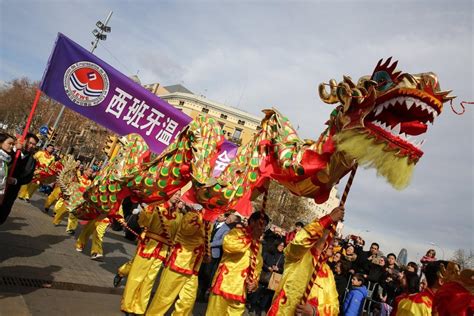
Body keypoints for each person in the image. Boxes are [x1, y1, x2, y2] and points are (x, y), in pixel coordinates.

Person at [267, 206, 344, 316]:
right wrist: (328, 219)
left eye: (334, 240)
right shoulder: (299, 256)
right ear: (317, 237)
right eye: (329, 237)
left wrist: (314, 311)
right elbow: (299, 241)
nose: (333, 244)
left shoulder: (328, 274)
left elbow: (334, 307)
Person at [120, 191, 182, 315]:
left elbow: (176, 235)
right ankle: (127, 305)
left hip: (162, 250)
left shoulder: (178, 215)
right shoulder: (156, 207)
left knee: (149, 281)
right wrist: (147, 210)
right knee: (136, 276)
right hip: (148, 246)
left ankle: (139, 308)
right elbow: (143, 222)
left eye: (179, 195)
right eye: (176, 194)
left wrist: (171, 250)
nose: (178, 197)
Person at [146, 203, 210, 315]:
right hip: (180, 261)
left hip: (194, 265)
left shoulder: (209, 220)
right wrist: (200, 220)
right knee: (165, 296)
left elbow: (205, 239)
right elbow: (186, 230)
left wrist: (207, 252)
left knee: (188, 301)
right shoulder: (191, 215)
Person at [205, 210, 270, 316]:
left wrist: (254, 282)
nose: (262, 229)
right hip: (224, 285)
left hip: (240, 291)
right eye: (261, 225)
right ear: (252, 222)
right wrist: (250, 238)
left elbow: (257, 265)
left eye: (264, 227)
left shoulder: (259, 245)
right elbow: (229, 246)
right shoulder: (237, 232)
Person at [198, 212, 238, 301]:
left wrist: (209, 244)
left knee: (207, 274)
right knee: (200, 270)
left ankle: (202, 294)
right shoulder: (213, 223)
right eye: (229, 217)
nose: (229, 219)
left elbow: (221, 242)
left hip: (213, 253)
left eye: (230, 218)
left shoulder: (227, 229)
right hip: (204, 250)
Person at [0, 133, 38, 224]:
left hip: (11, 191)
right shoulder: (9, 151)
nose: (31, 146)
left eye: (34, 144)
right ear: (24, 140)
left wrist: (15, 181)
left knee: (2, 215)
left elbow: (28, 177)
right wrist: (14, 149)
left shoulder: (32, 160)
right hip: (1, 186)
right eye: (30, 143)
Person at [53, 167, 93, 234]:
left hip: (79, 201)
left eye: (91, 172)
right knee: (63, 211)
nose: (90, 173)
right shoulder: (78, 178)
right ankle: (56, 220)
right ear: (85, 171)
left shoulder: (90, 182)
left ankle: (71, 228)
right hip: (71, 197)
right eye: (89, 171)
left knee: (74, 214)